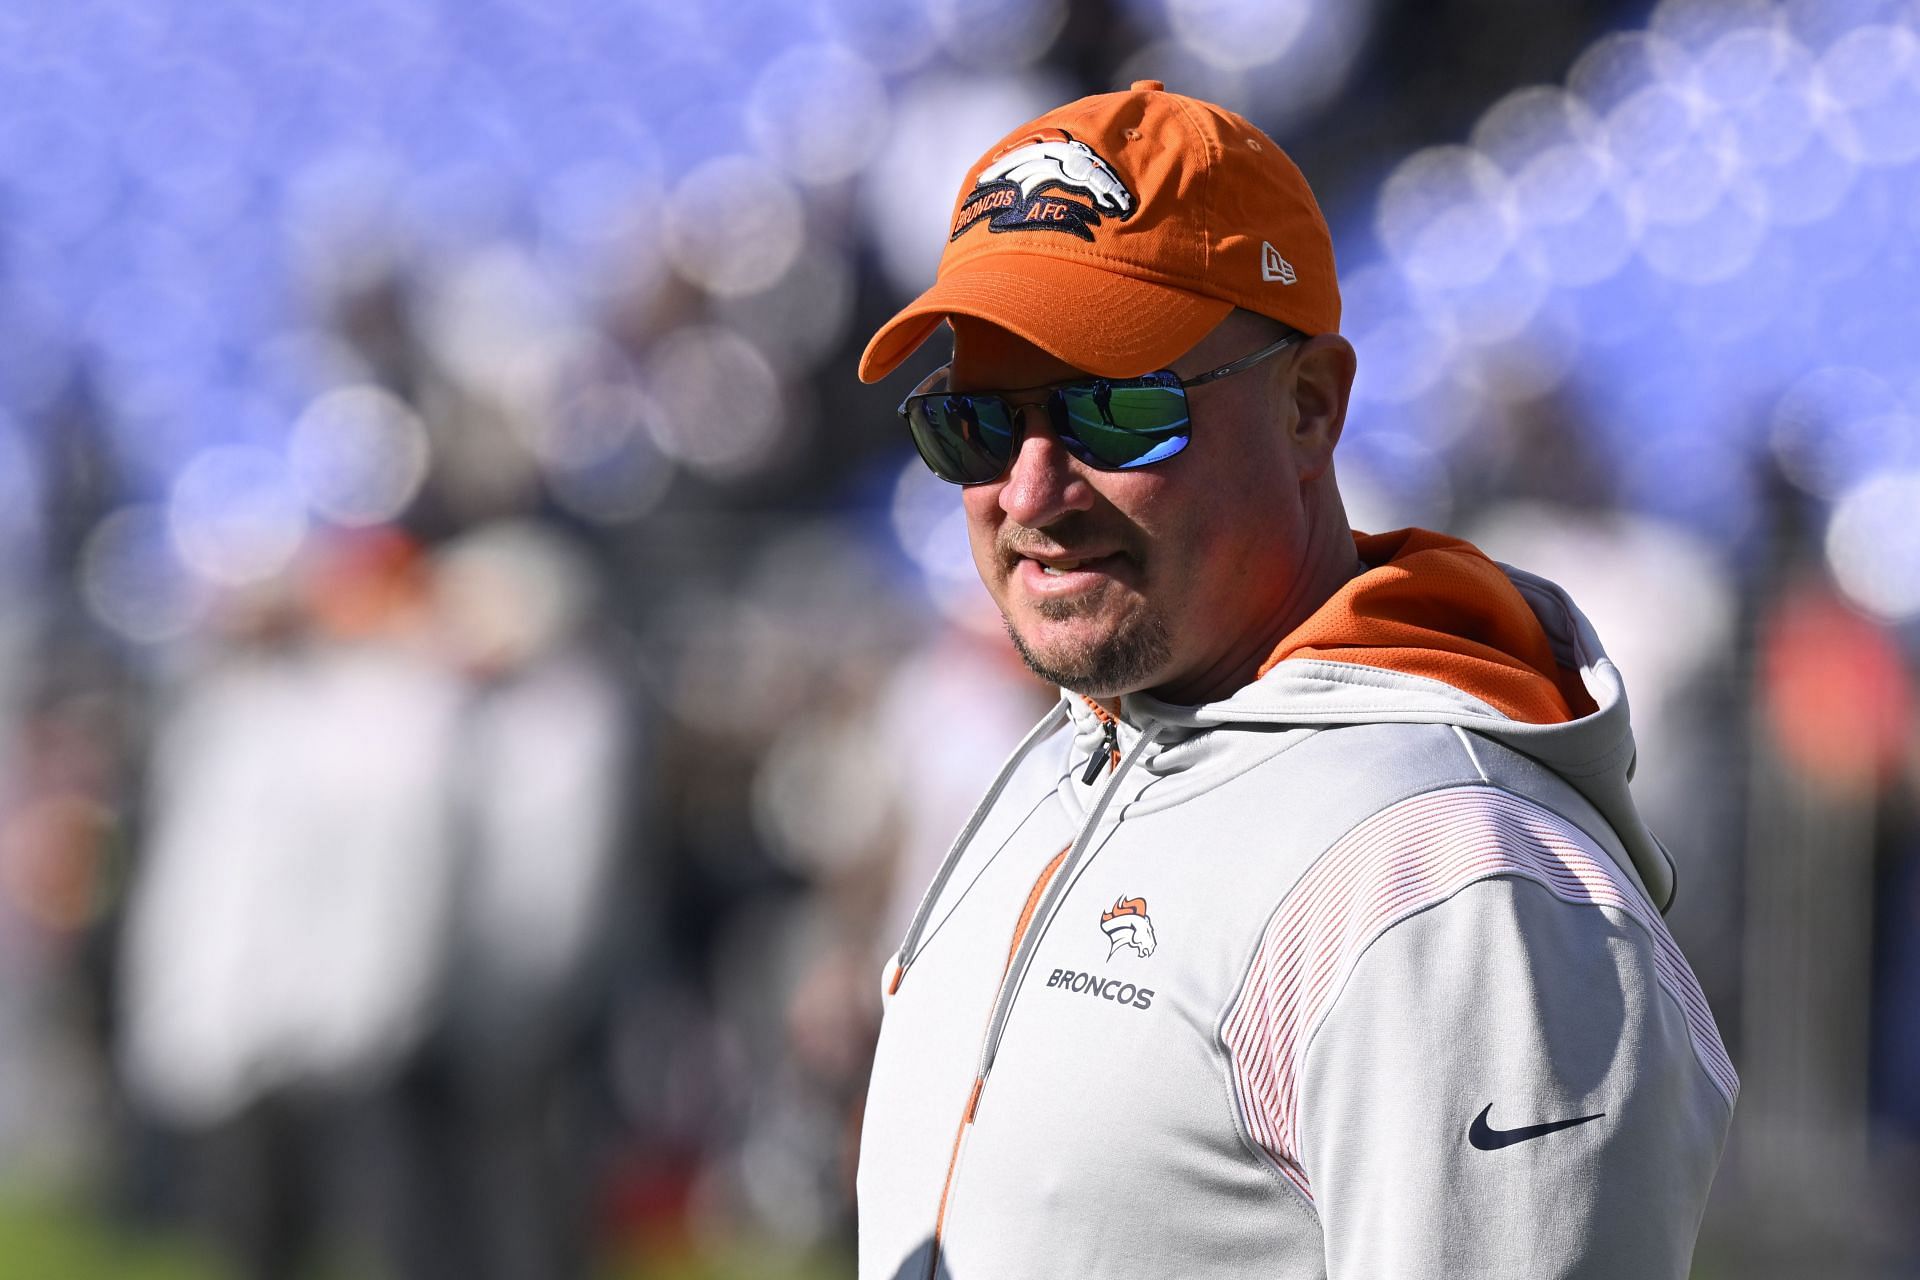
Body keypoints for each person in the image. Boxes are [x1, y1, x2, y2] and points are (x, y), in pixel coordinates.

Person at [851, 81, 1734, 1279]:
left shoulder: (1450, 877)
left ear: (1310, 407)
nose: (1028, 492)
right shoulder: (1080, 751)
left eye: (1114, 413)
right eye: (975, 424)